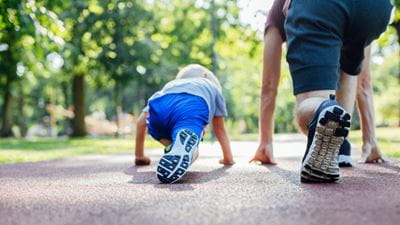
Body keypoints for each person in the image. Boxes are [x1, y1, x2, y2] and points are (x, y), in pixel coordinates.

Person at [251, 0, 388, 169]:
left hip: (319, 6)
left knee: (314, 104)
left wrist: (266, 142)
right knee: (349, 67)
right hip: (376, 9)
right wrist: (370, 140)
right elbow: (364, 82)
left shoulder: (275, 13)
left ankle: (323, 110)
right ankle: (341, 146)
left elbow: (269, 85)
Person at [134, 64, 235, 184]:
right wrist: (228, 158)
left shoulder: (171, 85)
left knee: (160, 128)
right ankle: (186, 147)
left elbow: (141, 122)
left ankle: (173, 147)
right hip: (190, 106)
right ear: (205, 75)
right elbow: (220, 129)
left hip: (159, 107)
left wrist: (139, 155)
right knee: (188, 127)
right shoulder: (211, 87)